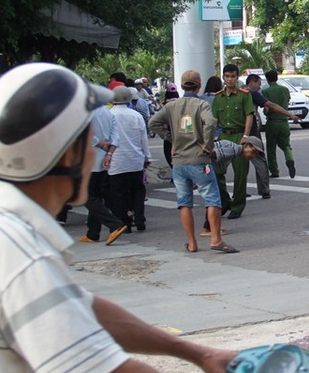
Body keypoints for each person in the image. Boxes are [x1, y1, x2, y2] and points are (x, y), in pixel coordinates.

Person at [0, 62, 308, 373]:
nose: (95, 151)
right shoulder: (18, 252)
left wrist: (198, 353)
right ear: (62, 152)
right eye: (87, 139)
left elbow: (86, 310)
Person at [149, 70, 236, 254]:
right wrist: (207, 144)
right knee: (212, 199)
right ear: (198, 86)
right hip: (200, 160)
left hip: (179, 161)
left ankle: (191, 243)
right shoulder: (201, 105)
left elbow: (153, 123)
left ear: (181, 86)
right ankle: (215, 239)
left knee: (184, 202)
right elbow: (211, 123)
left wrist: (171, 137)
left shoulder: (171, 106)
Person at [245, 74, 303, 199]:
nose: (260, 87)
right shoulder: (284, 89)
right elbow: (273, 106)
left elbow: (267, 110)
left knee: (243, 162)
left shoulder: (241, 93)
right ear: (252, 82)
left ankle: (241, 189)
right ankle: (265, 189)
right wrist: (290, 116)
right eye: (259, 83)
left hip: (243, 131)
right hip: (273, 125)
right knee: (263, 157)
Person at [79, 103, 129, 245]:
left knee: (86, 196)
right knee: (96, 196)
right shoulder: (106, 111)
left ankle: (115, 224)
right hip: (103, 158)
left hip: (88, 158)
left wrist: (99, 143)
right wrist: (109, 153)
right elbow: (115, 136)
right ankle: (93, 232)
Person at [210, 64, 254, 220]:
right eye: (227, 76)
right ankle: (226, 201)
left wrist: (246, 136)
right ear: (223, 77)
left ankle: (238, 206)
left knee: (240, 174)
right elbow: (214, 120)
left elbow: (249, 115)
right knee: (217, 172)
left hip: (239, 135)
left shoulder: (244, 95)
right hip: (223, 137)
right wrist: (210, 138)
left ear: (237, 77)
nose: (230, 79)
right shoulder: (218, 97)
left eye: (233, 76)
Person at [108, 85, 151, 233]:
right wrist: (147, 156)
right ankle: (139, 218)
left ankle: (124, 222)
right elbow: (143, 138)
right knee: (138, 190)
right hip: (135, 159)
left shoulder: (109, 115)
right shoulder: (136, 115)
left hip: (116, 161)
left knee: (118, 193)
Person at [262, 69, 298, 179]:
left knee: (271, 148)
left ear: (267, 80)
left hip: (272, 122)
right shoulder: (285, 90)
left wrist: (265, 111)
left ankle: (274, 171)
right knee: (286, 145)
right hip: (284, 122)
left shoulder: (266, 91)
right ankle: (290, 159)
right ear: (277, 78)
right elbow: (287, 103)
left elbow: (267, 109)